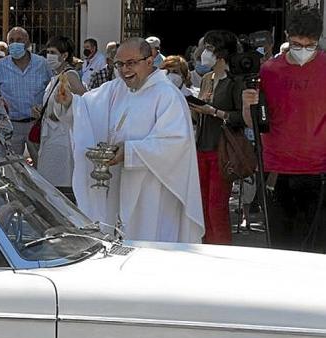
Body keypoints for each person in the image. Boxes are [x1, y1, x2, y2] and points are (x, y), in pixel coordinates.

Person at [55, 37, 204, 243]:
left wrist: (130, 151)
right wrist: (69, 101)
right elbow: (86, 108)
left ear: (150, 61)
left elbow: (175, 143)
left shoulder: (167, 95)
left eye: (131, 63)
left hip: (152, 190)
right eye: (119, 64)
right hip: (118, 184)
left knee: (149, 241)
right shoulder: (116, 89)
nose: (124, 70)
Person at [242, 8, 326, 252]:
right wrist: (248, 106)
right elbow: (254, 123)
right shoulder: (269, 70)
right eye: (297, 44)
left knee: (318, 252)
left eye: (310, 45)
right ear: (288, 36)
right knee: (281, 251)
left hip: (319, 173)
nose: (303, 51)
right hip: (277, 173)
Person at [188, 31, 246, 245]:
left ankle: (222, 251)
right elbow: (200, 114)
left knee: (216, 207)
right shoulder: (205, 79)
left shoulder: (235, 81)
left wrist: (213, 112)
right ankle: (205, 248)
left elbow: (243, 118)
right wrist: (194, 107)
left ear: (221, 53)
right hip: (201, 147)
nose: (204, 53)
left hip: (222, 151)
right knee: (202, 206)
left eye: (209, 48)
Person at [0, 27, 52, 157]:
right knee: (11, 169)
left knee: (41, 166)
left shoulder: (42, 64)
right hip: (11, 126)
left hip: (36, 125)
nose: (15, 43)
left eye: (19, 40)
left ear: (28, 43)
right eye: (11, 40)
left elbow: (51, 90)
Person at [37, 36, 86, 196]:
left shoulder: (70, 75)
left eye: (53, 52)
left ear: (64, 56)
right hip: (51, 136)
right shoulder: (56, 77)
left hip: (61, 137)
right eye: (48, 52)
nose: (49, 56)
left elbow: (83, 100)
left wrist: (61, 111)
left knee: (58, 182)